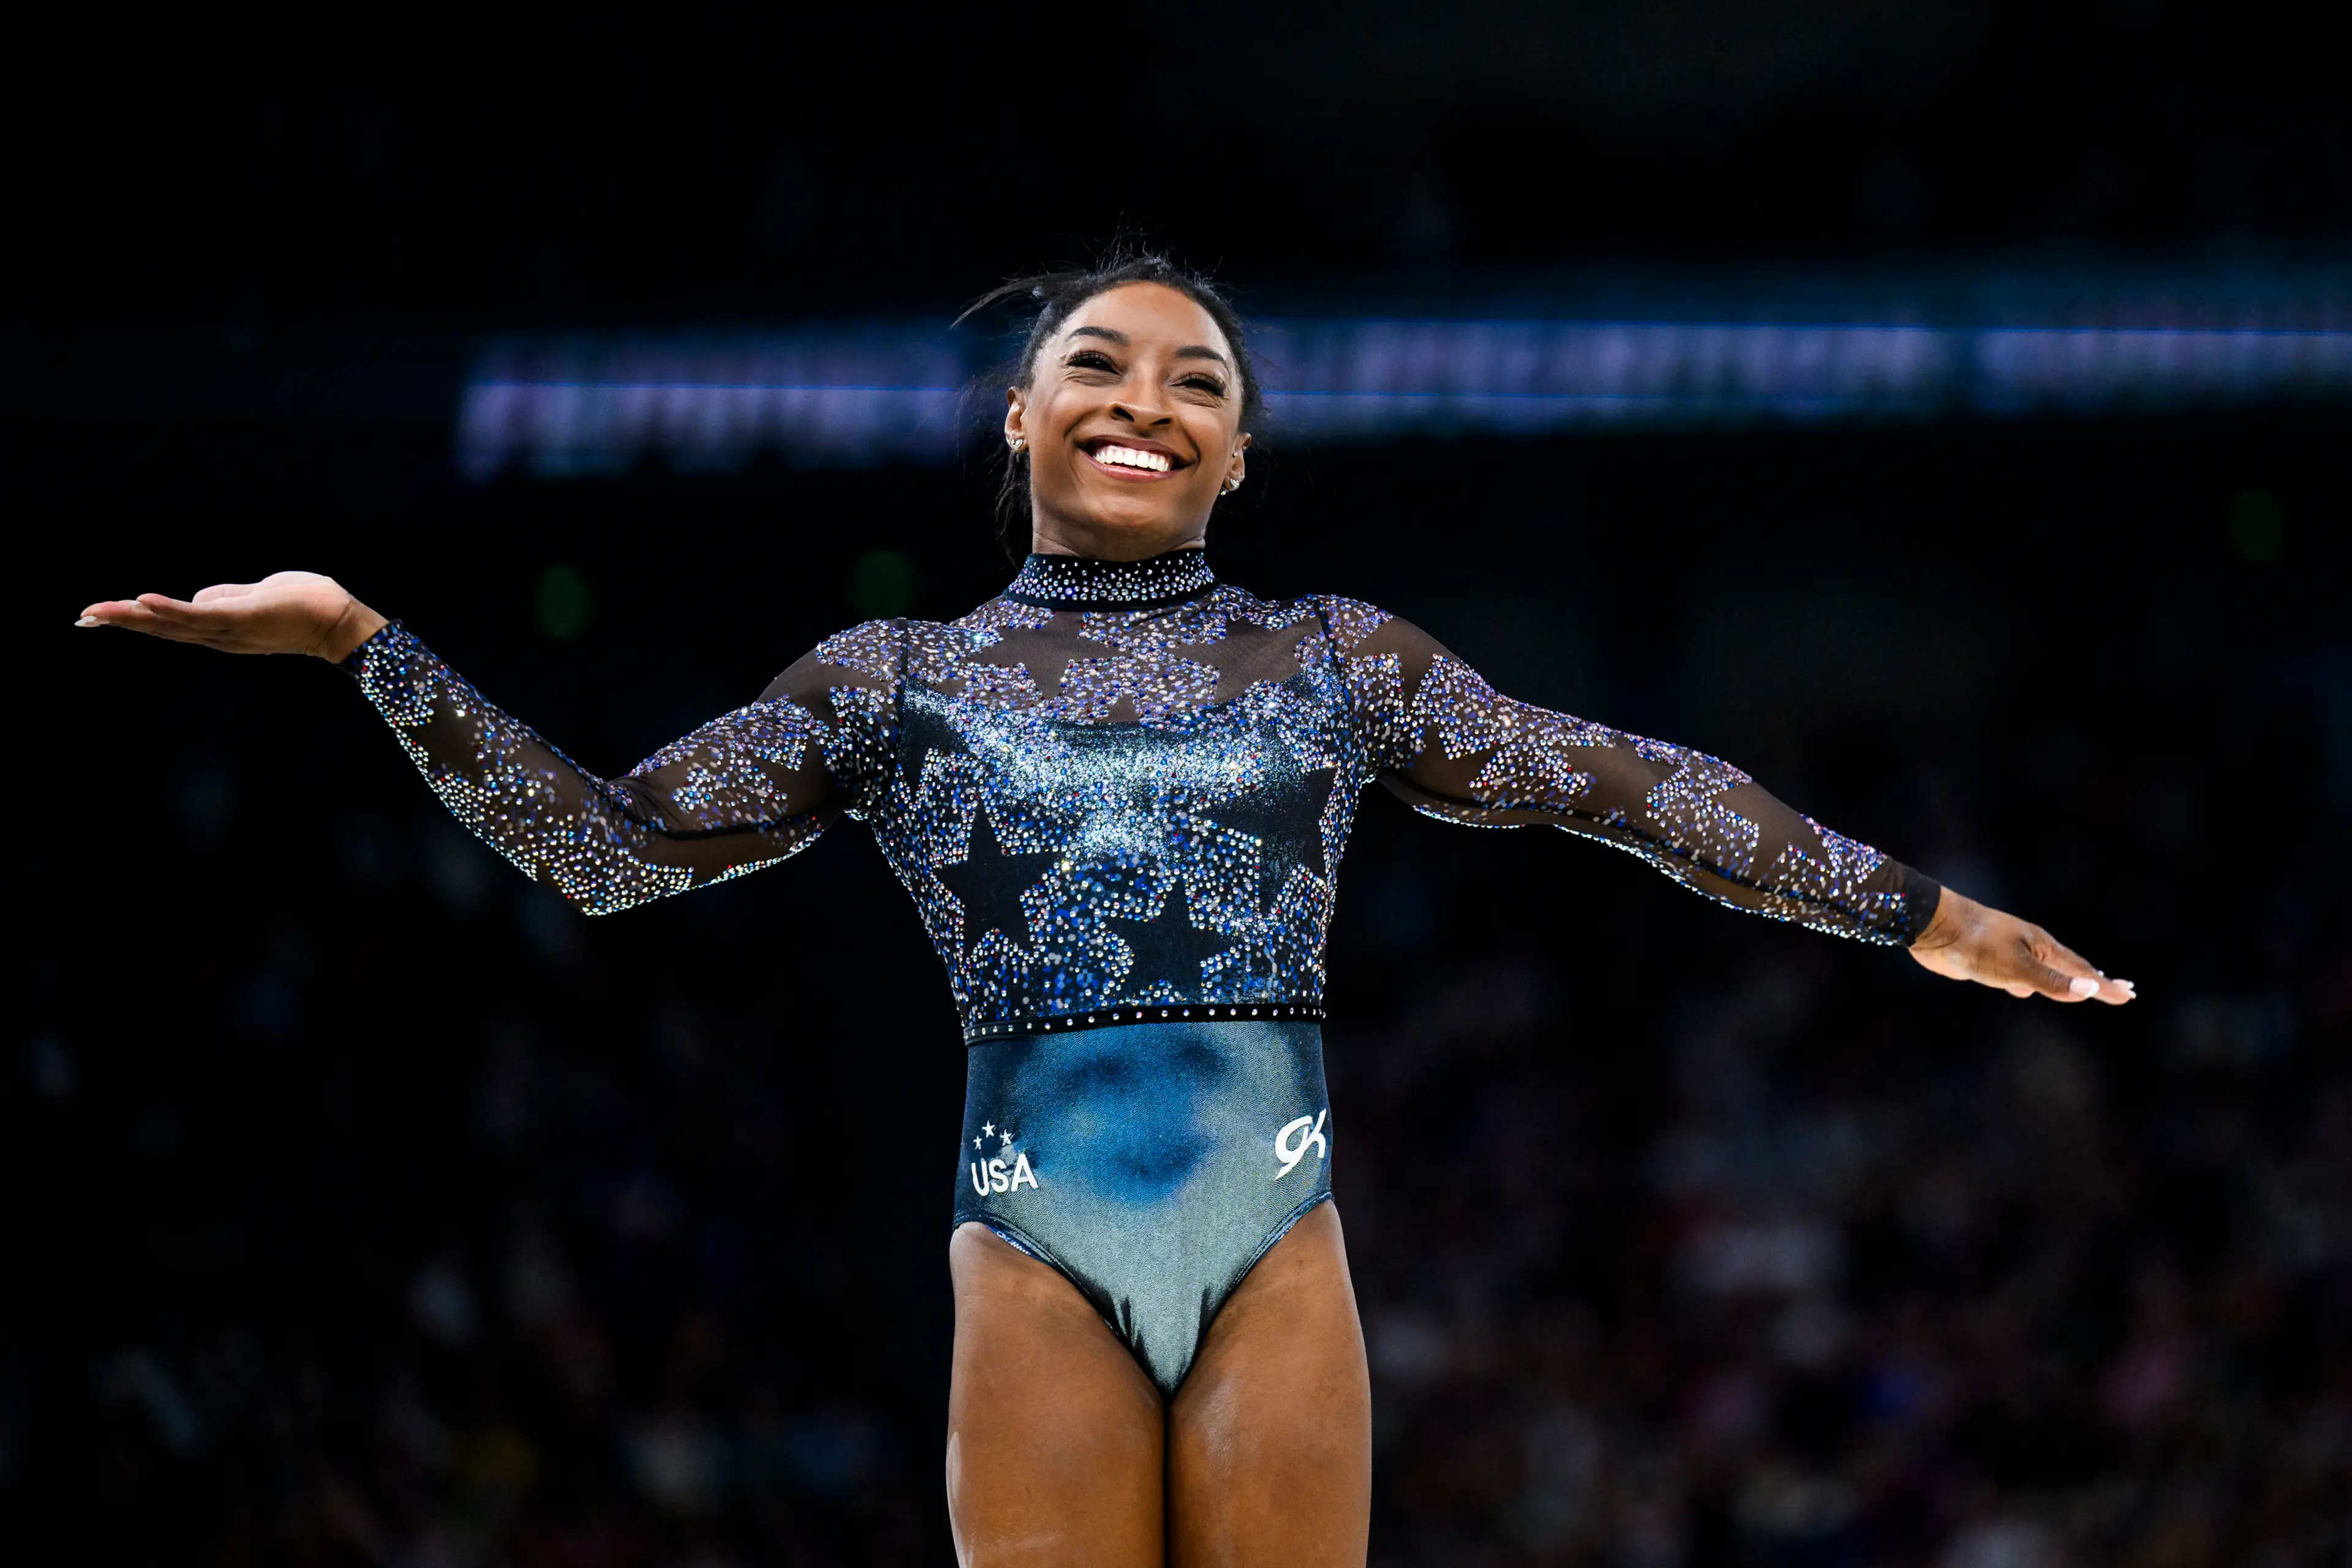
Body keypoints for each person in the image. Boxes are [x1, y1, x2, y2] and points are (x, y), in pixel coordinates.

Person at [77, 252, 2131, 1567]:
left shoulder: (1338, 656)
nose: (1144, 395)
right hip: (1035, 1243)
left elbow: (1631, 788)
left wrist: (1918, 910)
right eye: (1095, 361)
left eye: (1197, 380)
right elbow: (614, 850)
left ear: (1240, 450)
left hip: (1277, 1227)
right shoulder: (892, 680)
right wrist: (370, 650)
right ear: (1020, 416)